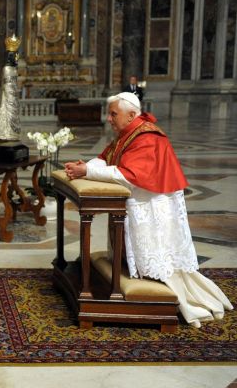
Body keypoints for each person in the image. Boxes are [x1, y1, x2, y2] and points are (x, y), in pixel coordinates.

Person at [64, 92, 233, 328]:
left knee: (155, 255)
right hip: (138, 202)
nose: (109, 119)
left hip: (152, 205)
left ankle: (161, 291)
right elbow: (107, 158)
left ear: (131, 114)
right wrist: (86, 166)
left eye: (114, 114)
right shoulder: (128, 132)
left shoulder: (147, 137)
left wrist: (88, 172)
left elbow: (130, 176)